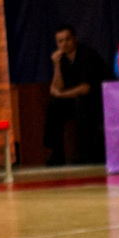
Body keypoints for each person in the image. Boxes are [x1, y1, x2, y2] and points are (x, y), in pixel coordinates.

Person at [46, 24, 107, 165]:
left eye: (67, 39)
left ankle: (85, 154)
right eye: (60, 41)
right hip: (77, 99)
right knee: (54, 104)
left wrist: (60, 95)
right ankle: (57, 153)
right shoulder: (62, 59)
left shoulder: (87, 55)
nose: (64, 44)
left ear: (74, 39)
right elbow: (57, 88)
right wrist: (56, 65)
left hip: (98, 100)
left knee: (82, 102)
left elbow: (85, 88)